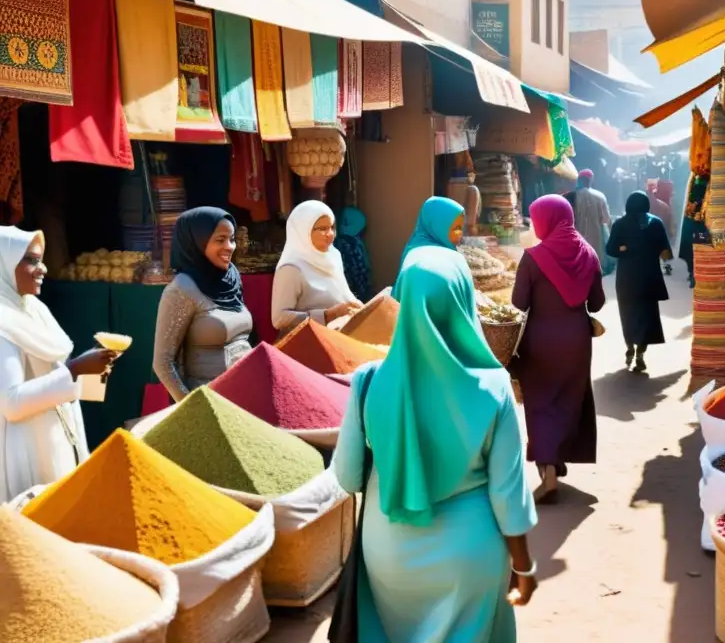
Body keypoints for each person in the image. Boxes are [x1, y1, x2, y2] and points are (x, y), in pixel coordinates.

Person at [332, 242, 538, 641]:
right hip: (469, 556)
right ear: (464, 301)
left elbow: (346, 478)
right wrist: (523, 566)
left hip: (387, 551)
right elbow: (507, 493)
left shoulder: (368, 381)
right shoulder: (494, 386)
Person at [0, 227, 116, 501]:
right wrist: (75, 369)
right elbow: (12, 404)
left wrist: (93, 371)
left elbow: (62, 384)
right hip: (27, 448)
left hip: (60, 440)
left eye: (40, 259)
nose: (42, 268)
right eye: (30, 260)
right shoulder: (3, 322)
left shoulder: (35, 310)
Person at [512, 195, 604, 504]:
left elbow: (518, 303)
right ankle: (558, 458)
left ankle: (548, 469)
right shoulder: (588, 253)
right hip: (577, 339)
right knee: (568, 399)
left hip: (540, 340)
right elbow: (597, 303)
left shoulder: (533, 257)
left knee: (540, 402)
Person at [153, 207, 253, 401]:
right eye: (220, 240)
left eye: (231, 239)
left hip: (244, 395)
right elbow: (163, 363)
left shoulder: (231, 277)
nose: (230, 247)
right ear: (196, 242)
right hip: (209, 400)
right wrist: (192, 408)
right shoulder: (181, 289)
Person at [271, 201, 362, 335]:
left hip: (337, 336)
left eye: (332, 227)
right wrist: (327, 315)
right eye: (322, 229)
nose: (330, 234)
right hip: (306, 343)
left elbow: (343, 294)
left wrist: (360, 307)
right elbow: (279, 319)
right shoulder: (291, 268)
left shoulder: (333, 256)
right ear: (303, 231)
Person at [607, 192, 672, 373]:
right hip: (649, 278)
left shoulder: (620, 224)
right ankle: (641, 354)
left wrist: (624, 248)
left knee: (628, 315)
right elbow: (666, 253)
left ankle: (630, 347)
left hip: (627, 280)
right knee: (647, 316)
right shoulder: (656, 223)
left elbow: (610, 249)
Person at [398, 195, 465, 270]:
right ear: (439, 226)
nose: (460, 233)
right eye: (457, 228)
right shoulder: (423, 257)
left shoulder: (442, 246)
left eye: (461, 228)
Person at [572, 169, 612, 274]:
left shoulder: (571, 196)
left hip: (577, 235)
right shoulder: (600, 196)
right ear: (591, 180)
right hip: (596, 236)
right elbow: (606, 219)